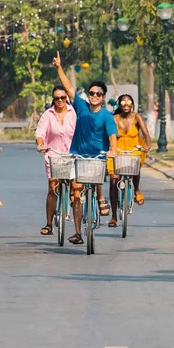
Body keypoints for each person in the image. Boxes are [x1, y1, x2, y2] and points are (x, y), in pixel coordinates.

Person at [54, 52, 118, 245]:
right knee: (76, 191)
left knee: (95, 182)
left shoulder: (107, 116)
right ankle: (77, 232)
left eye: (98, 94)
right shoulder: (80, 106)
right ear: (88, 95)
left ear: (103, 96)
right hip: (77, 156)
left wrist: (112, 151)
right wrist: (59, 67)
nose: (95, 96)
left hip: (98, 158)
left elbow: (112, 137)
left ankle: (99, 198)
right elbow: (68, 87)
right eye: (92, 93)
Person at [35, 85, 76, 236]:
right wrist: (40, 144)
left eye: (63, 98)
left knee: (76, 188)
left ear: (67, 98)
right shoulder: (48, 115)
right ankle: (49, 224)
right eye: (57, 98)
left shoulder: (74, 113)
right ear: (53, 99)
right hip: (54, 155)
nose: (60, 101)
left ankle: (77, 210)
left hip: (72, 155)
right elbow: (40, 132)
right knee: (53, 187)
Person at [108, 94, 151, 227]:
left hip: (134, 149)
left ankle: (136, 189)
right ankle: (114, 216)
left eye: (128, 103)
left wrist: (147, 145)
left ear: (132, 104)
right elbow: (109, 134)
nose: (126, 105)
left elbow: (145, 133)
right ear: (119, 104)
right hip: (118, 151)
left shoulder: (136, 117)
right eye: (123, 103)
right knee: (114, 180)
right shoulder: (114, 118)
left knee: (135, 164)